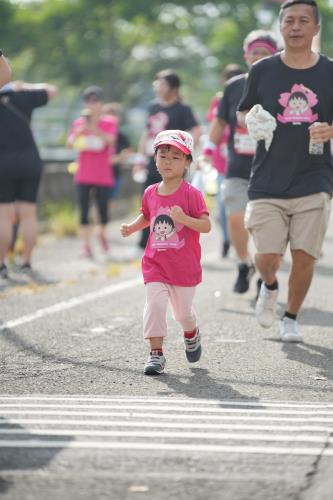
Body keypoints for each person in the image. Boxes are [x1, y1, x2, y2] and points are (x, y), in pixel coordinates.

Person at [238, 0, 333, 342]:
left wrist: (330, 130)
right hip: (267, 178)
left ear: (315, 28)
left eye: (303, 20)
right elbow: (243, 112)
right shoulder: (262, 70)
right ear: (281, 27)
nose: (295, 26)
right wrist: (253, 121)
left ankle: (291, 317)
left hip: (314, 176)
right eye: (289, 20)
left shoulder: (329, 71)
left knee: (305, 255)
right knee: (266, 256)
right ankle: (269, 284)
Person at [120, 130, 211, 375]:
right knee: (155, 304)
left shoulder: (192, 194)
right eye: (163, 155)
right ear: (155, 159)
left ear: (188, 162)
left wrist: (184, 218)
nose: (168, 161)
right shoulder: (150, 191)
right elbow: (147, 216)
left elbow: (206, 225)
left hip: (184, 266)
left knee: (183, 314)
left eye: (176, 157)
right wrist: (132, 227)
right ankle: (156, 354)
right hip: (155, 263)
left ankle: (191, 332)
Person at [206, 31, 278, 293]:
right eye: (254, 53)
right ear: (246, 56)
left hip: (273, 166)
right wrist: (206, 149)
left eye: (264, 53)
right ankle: (243, 263)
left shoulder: (284, 85)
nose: (258, 58)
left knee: (270, 228)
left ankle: (265, 274)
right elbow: (220, 121)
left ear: (275, 56)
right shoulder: (234, 86)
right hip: (237, 167)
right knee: (235, 218)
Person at [133, 69, 201, 253]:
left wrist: (184, 149)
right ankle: (143, 243)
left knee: (173, 200)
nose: (157, 87)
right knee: (148, 201)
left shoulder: (182, 109)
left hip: (175, 163)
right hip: (154, 160)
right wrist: (139, 158)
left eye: (162, 84)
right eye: (156, 83)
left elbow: (196, 130)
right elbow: (147, 134)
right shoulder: (153, 107)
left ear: (173, 87)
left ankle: (173, 239)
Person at [0, 80, 58, 279]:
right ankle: (26, 262)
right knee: (28, 214)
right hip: (30, 161)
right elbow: (52, 90)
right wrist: (24, 85)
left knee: (4, 215)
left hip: (3, 163)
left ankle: (2, 264)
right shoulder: (20, 96)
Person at [67, 86, 117, 258]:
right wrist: (79, 132)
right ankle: (86, 245)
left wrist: (93, 127)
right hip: (83, 174)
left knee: (102, 211)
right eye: (88, 100)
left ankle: (101, 234)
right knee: (84, 211)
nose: (91, 104)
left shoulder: (109, 121)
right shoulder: (78, 122)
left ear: (101, 103)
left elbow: (110, 140)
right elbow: (70, 143)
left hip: (103, 174)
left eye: (95, 100)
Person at [204, 63, 245, 258]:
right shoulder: (218, 101)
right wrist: (207, 152)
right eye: (227, 77)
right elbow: (215, 125)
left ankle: (238, 243)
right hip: (221, 161)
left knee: (240, 207)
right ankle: (227, 240)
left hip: (242, 158)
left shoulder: (248, 96)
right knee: (222, 205)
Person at [102, 102, 133, 216]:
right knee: (98, 200)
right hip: (99, 172)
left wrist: (119, 157)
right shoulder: (98, 134)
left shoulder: (121, 136)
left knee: (109, 200)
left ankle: (103, 224)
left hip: (114, 173)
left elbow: (129, 150)